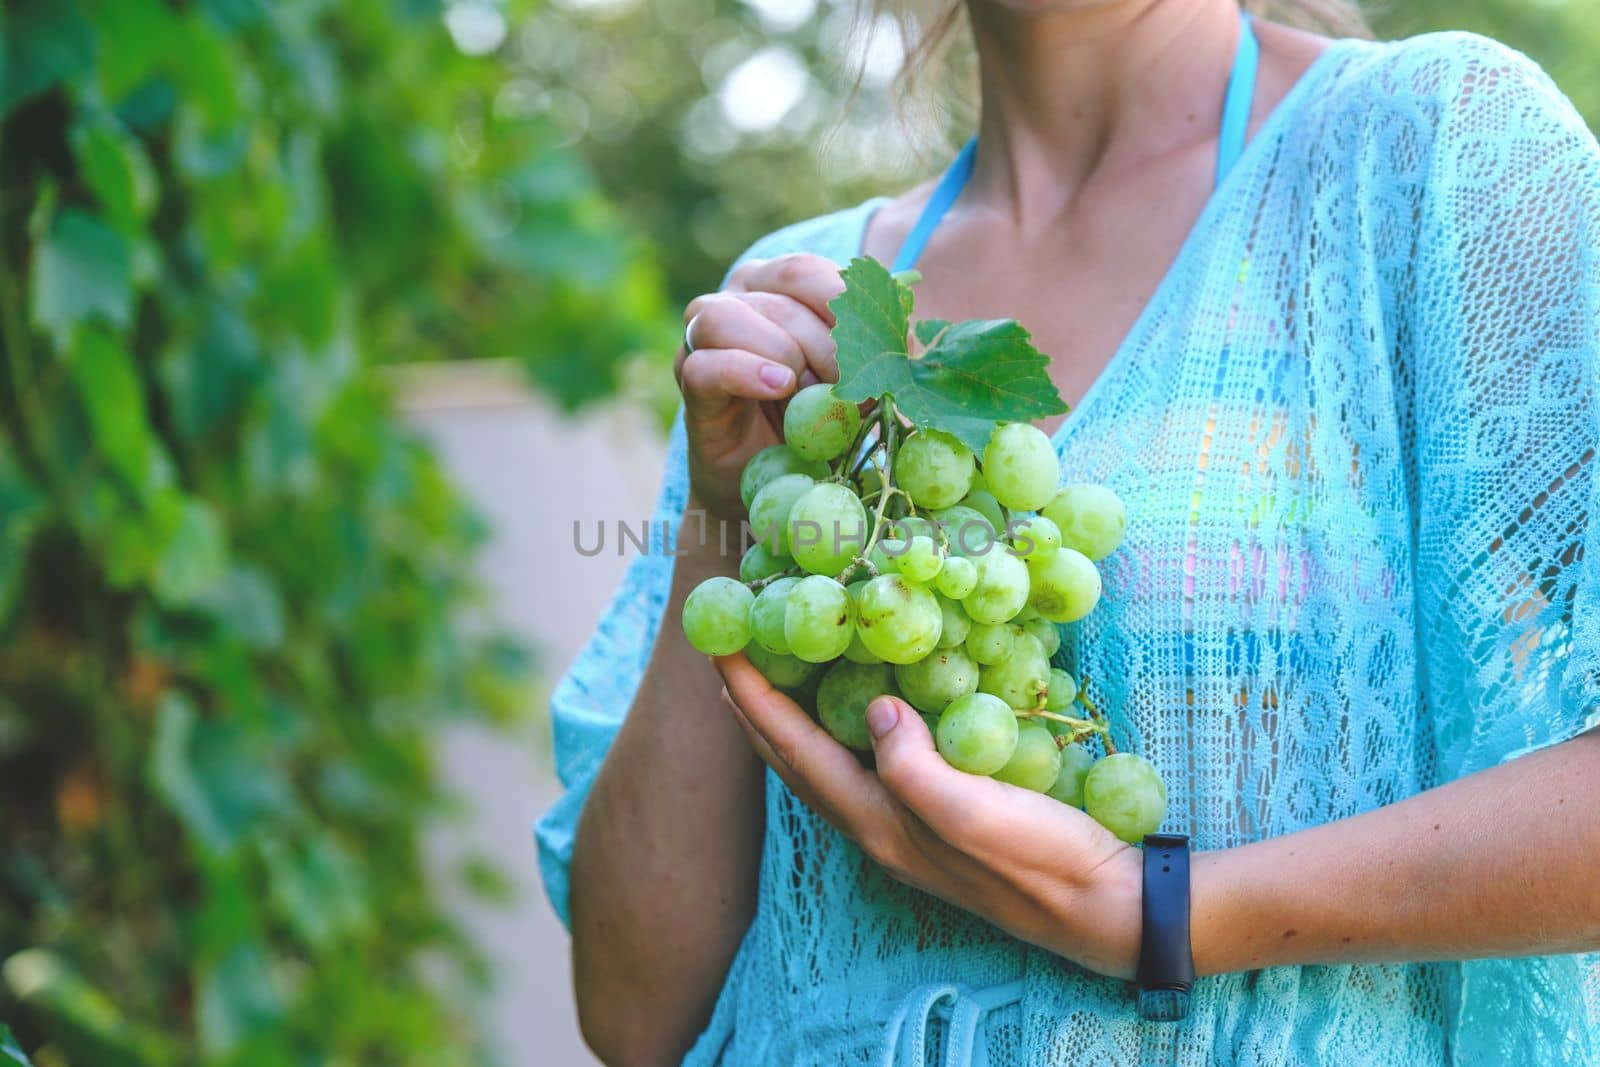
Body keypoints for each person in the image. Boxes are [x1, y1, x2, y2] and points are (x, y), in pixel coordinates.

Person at [538, 0, 1600, 1062]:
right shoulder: (801, 316)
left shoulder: (1426, 153)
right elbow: (638, 1017)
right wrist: (724, 514)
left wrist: (1165, 909)